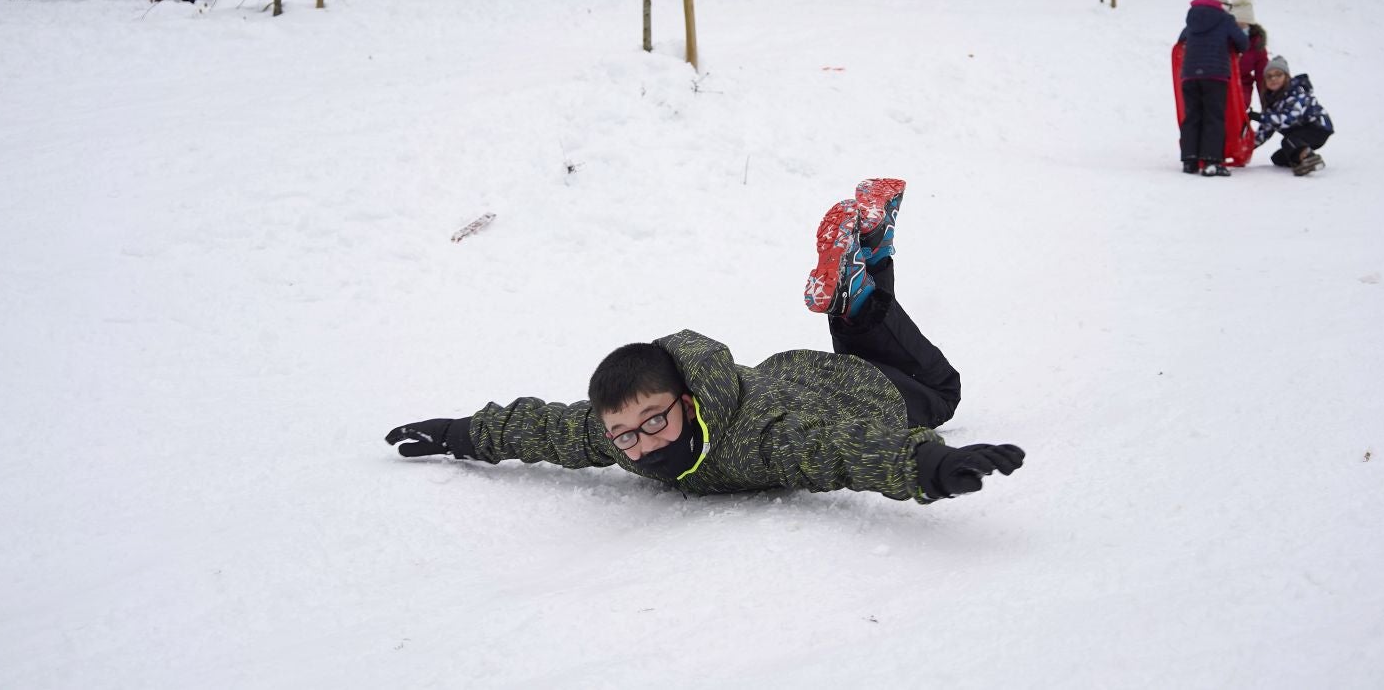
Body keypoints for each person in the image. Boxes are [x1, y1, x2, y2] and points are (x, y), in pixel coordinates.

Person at [386, 178, 1026, 504]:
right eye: (625, 435)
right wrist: (458, 433)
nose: (642, 446)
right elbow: (549, 429)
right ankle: (861, 281)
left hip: (864, 398)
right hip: (799, 374)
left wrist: (928, 467)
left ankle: (861, 288)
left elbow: (837, 449)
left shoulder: (758, 442)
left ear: (687, 404)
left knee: (942, 391)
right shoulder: (630, 432)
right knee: (873, 347)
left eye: (653, 424)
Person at [1176, 0, 1248, 176]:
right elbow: (1242, 43)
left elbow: (1182, 39)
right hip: (1214, 75)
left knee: (1193, 116)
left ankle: (1189, 159)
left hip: (1189, 75)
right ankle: (1211, 161)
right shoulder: (1225, 19)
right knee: (1213, 117)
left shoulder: (1192, 18)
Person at [1250, 56, 1334, 175]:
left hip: (1317, 128)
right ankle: (1300, 159)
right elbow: (1266, 130)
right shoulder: (1272, 102)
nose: (1273, 79)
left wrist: (1259, 117)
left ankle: (1308, 158)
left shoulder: (1296, 93)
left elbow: (1288, 119)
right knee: (1278, 158)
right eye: (1269, 76)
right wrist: (1246, 148)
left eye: (1278, 74)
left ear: (1286, 77)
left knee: (1289, 141)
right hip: (1299, 135)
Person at [1230, 0, 1268, 111]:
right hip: (1221, 84)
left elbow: (1262, 78)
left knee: (1238, 108)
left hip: (1242, 86)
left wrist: (1267, 107)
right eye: (1237, 25)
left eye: (1244, 25)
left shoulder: (1256, 44)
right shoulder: (1224, 39)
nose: (1240, 29)